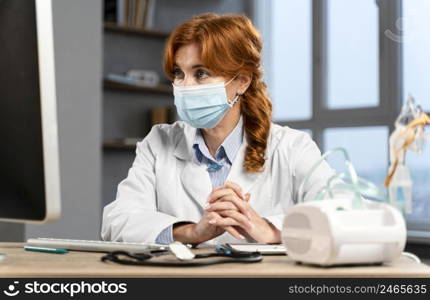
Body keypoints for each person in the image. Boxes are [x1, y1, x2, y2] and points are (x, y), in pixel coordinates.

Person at [101, 13, 335, 245]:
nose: (185, 86)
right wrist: (192, 232)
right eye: (179, 74)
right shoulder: (159, 142)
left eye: (201, 73)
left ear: (242, 81)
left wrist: (271, 230)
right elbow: (117, 221)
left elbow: (342, 211)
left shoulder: (292, 147)